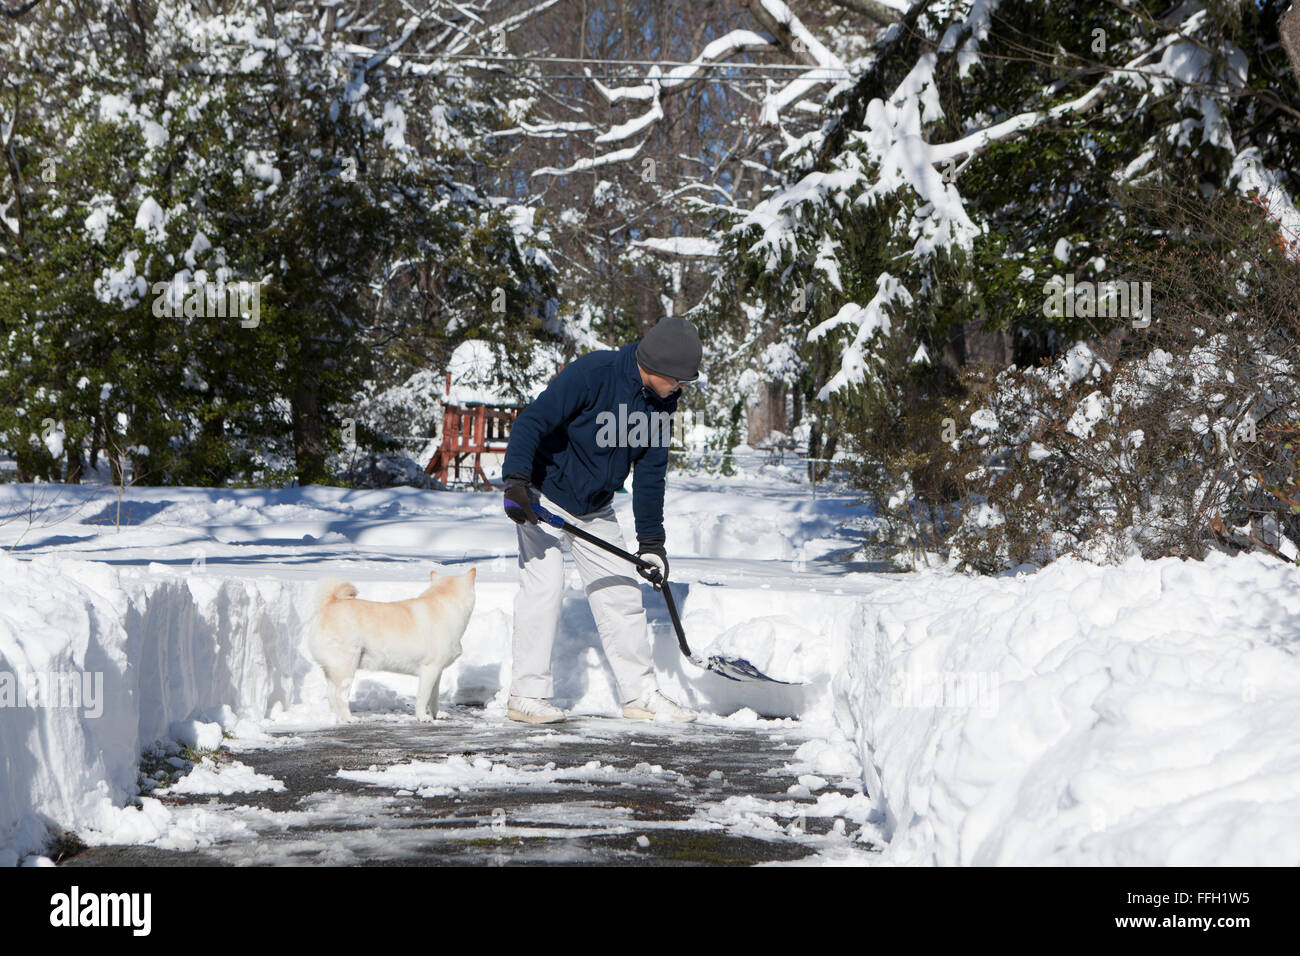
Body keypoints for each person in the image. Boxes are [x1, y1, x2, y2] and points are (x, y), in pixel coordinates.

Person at [500, 316, 702, 724]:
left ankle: (640, 695)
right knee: (544, 588)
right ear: (657, 368)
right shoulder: (593, 374)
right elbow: (531, 421)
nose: (682, 388)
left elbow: (649, 476)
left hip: (595, 507)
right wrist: (517, 481)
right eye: (680, 380)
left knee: (621, 596)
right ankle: (525, 695)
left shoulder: (661, 404)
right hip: (542, 495)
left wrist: (651, 544)